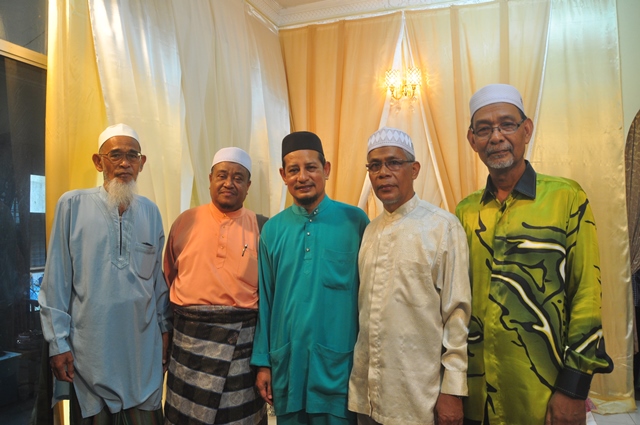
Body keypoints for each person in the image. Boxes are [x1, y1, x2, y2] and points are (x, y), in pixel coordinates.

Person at [455, 84, 614, 425]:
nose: (496, 137)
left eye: (507, 124)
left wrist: (573, 388)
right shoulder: (465, 212)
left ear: (526, 130)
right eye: (484, 129)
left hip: (543, 389)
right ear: (472, 140)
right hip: (476, 393)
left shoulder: (566, 198)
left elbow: (586, 294)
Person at [38, 123, 172, 424]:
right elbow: (56, 281)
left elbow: (157, 283)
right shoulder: (73, 205)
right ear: (98, 162)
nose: (125, 163)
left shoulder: (151, 212)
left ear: (142, 163)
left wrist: (165, 330)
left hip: (142, 356)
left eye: (132, 155)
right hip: (90, 356)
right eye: (115, 155)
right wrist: (58, 343)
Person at [348, 127, 471, 425]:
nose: (383, 173)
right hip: (366, 396)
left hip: (419, 397)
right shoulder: (369, 230)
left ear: (414, 170)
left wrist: (452, 390)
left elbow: (457, 315)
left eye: (393, 163)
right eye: (374, 166)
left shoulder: (443, 227)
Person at [251, 131, 370, 425]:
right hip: (288, 366)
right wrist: (263, 363)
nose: (302, 177)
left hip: (339, 368)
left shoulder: (355, 222)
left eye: (311, 167)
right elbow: (266, 301)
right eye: (293, 170)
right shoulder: (273, 230)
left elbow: (369, 297)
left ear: (326, 169)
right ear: (283, 175)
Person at [163, 147, 266, 425]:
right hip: (189, 346)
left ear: (248, 186)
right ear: (210, 179)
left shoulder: (263, 228)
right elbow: (168, 279)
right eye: (222, 175)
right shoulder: (184, 222)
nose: (229, 183)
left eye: (238, 178)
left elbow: (270, 298)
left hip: (241, 349)